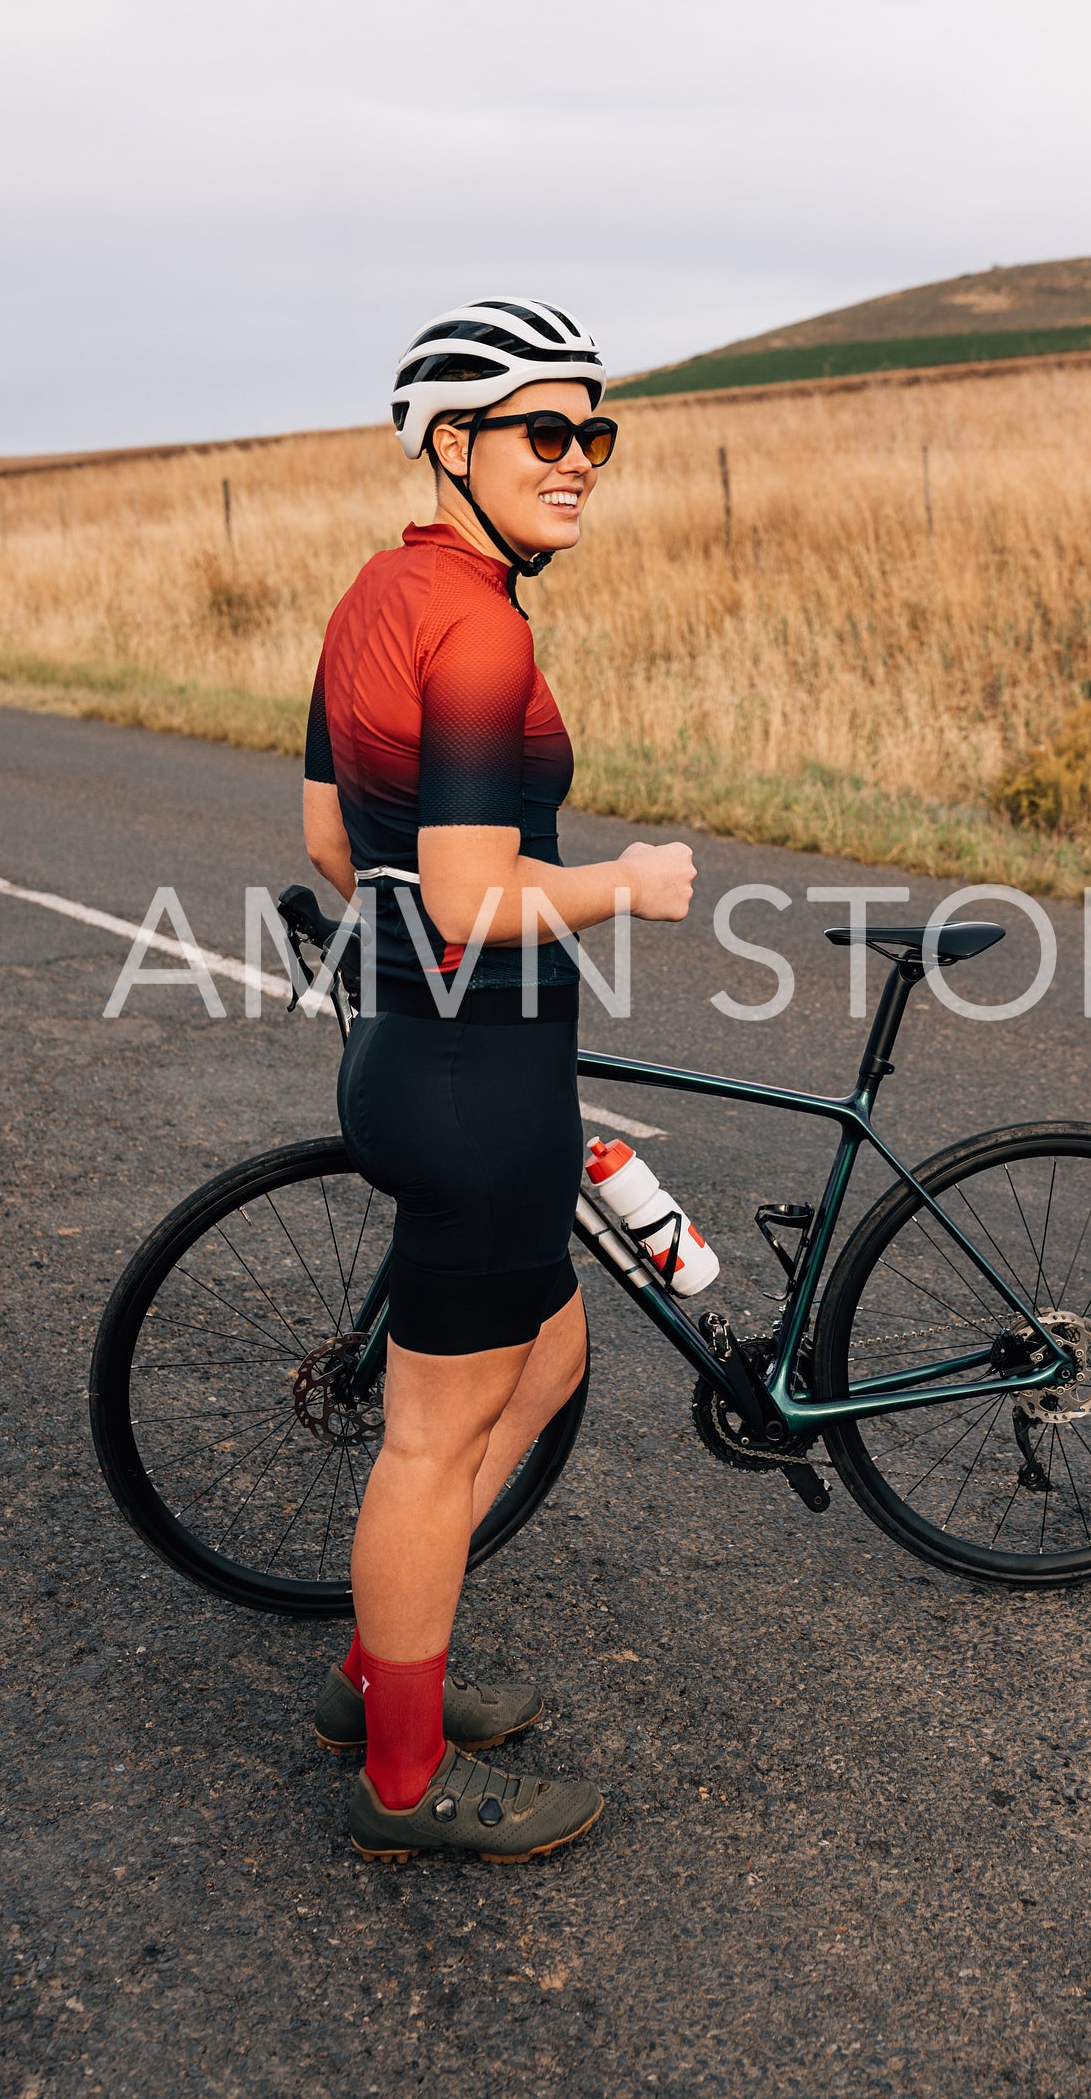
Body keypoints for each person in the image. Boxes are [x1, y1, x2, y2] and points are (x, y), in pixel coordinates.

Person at [300, 297, 696, 1863]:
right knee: (429, 1439)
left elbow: (337, 849)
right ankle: (402, 1779)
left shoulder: (376, 595)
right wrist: (627, 880)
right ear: (451, 445)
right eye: (545, 430)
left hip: (427, 1050)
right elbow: (469, 895)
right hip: (473, 1068)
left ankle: (376, 1673)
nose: (578, 459)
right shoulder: (476, 625)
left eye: (592, 431)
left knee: (543, 1366)